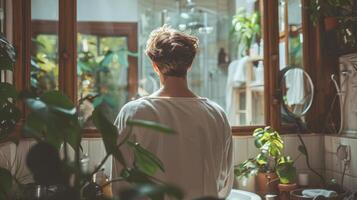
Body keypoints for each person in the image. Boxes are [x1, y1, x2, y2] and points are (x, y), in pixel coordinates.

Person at [112, 26, 233, 199]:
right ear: (189, 65)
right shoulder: (217, 114)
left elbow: (120, 184)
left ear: (155, 66)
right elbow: (223, 181)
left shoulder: (133, 114)